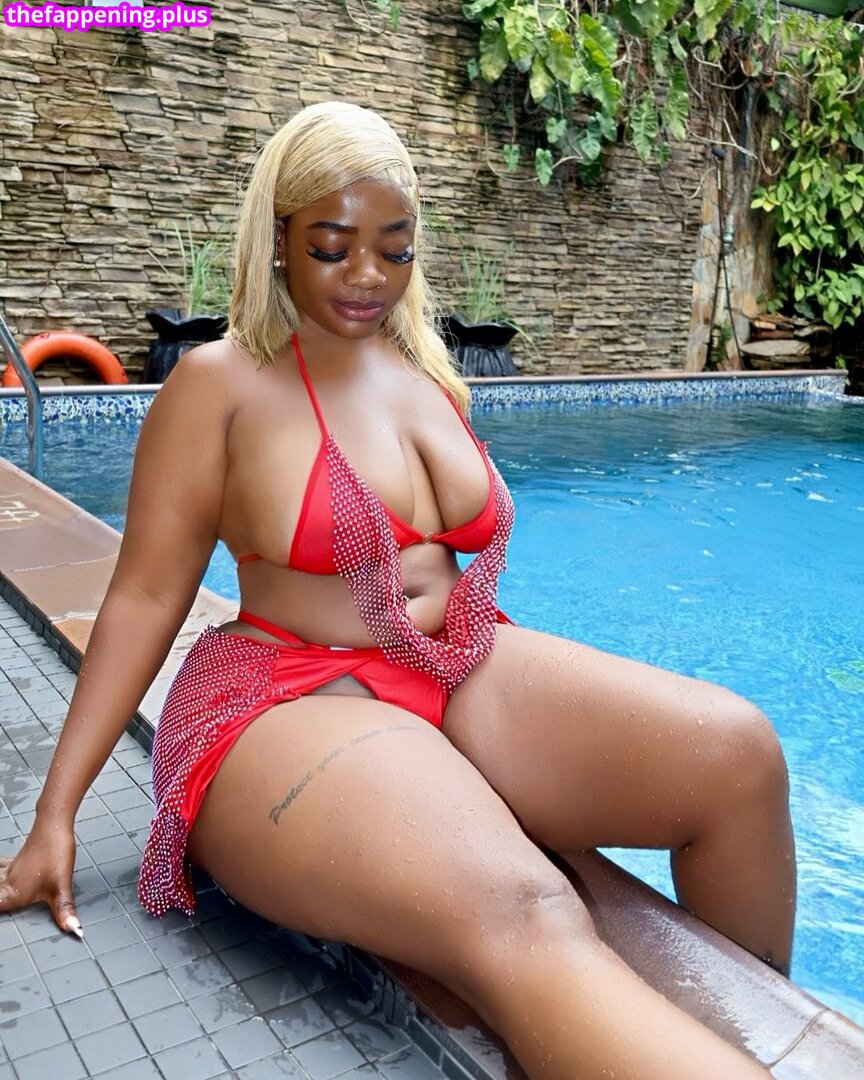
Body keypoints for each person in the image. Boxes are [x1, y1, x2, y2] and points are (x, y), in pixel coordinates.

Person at [0, 102, 795, 1079]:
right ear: (278, 239)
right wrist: (56, 813)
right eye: (332, 248)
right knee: (525, 908)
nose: (367, 276)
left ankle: (762, 1041)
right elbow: (142, 598)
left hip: (449, 666)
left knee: (736, 755)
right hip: (285, 698)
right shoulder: (220, 386)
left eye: (394, 248)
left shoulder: (424, 373)